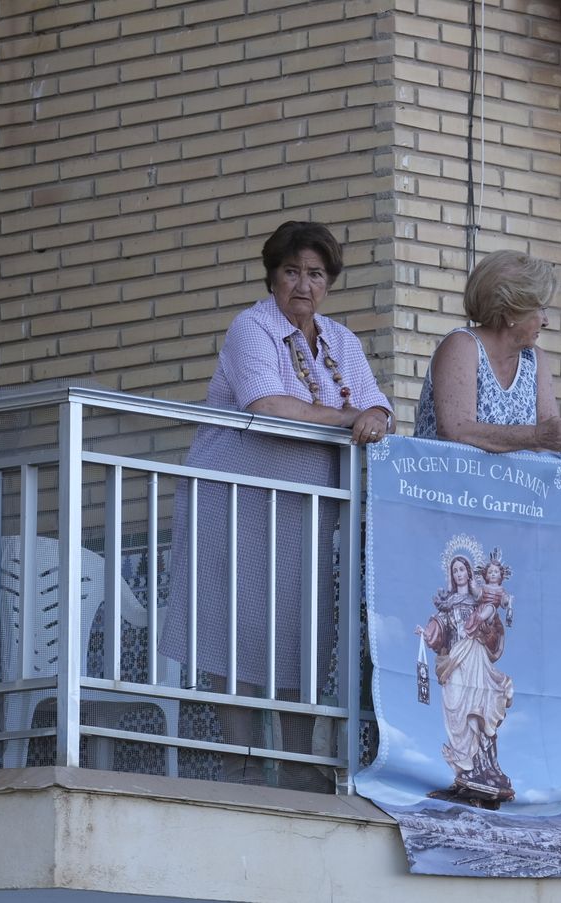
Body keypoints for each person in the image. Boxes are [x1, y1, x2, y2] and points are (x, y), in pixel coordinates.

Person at [161, 221, 392, 781]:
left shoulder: (340, 340)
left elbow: (378, 410)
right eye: (291, 271)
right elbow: (268, 406)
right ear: (272, 276)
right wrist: (350, 419)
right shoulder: (253, 327)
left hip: (302, 512)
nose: (303, 285)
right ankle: (240, 762)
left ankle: (297, 766)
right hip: (235, 502)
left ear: (330, 282)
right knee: (233, 636)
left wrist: (375, 416)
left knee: (299, 637)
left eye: (315, 273)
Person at [414, 249, 561, 453]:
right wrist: (536, 436)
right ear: (510, 311)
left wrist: (558, 437)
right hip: (446, 482)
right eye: (540, 309)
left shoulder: (535, 359)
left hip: (511, 484)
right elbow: (456, 431)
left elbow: (548, 444)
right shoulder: (463, 345)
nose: (546, 321)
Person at [417, 542, 515, 805]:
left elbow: (494, 632)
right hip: (456, 661)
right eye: (455, 570)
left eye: (462, 569)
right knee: (454, 706)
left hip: (475, 657)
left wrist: (485, 626)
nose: (459, 574)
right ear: (452, 575)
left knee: (479, 708)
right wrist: (429, 634)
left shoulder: (480, 602)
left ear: (470, 573)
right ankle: (464, 766)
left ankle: (482, 769)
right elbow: (440, 632)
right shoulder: (447, 606)